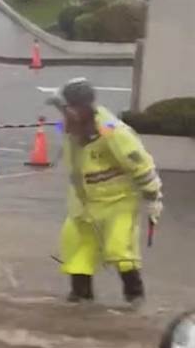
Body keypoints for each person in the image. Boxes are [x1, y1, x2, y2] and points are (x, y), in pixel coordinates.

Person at [50, 78, 163, 306]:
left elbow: (141, 165)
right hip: (85, 203)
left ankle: (134, 296)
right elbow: (73, 165)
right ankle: (81, 298)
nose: (62, 114)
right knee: (75, 245)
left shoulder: (114, 132)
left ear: (82, 108)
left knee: (119, 247)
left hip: (119, 201)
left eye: (65, 108)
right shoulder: (69, 129)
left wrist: (153, 197)